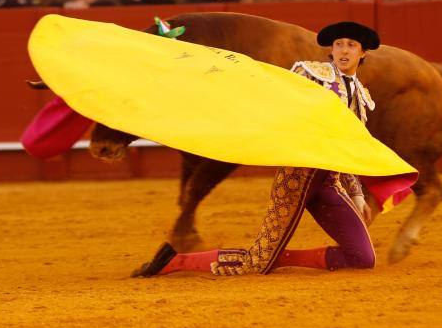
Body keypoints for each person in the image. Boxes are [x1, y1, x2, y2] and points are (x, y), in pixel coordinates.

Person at [133, 21, 381, 277]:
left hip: (328, 183)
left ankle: (276, 257)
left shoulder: (360, 95)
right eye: (339, 44)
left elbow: (349, 149)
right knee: (256, 264)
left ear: (362, 53)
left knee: (361, 257)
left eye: (351, 45)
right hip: (296, 180)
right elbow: (274, 97)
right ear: (331, 49)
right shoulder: (311, 74)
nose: (344, 50)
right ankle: (174, 261)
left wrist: (358, 195)